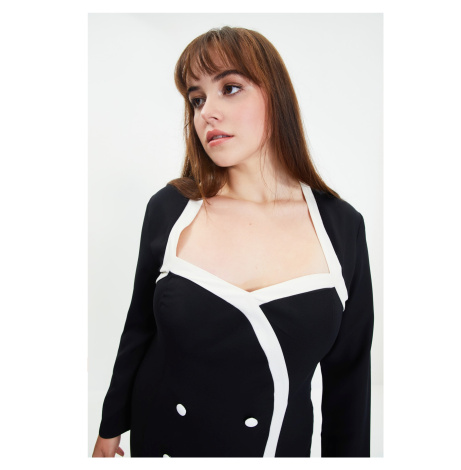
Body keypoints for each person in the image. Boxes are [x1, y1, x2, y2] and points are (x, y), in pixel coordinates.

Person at [92, 26, 374, 458]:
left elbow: (349, 379)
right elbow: (139, 327)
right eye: (197, 99)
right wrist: (110, 428)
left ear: (276, 96)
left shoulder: (341, 226)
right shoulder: (172, 208)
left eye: (230, 88)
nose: (207, 112)